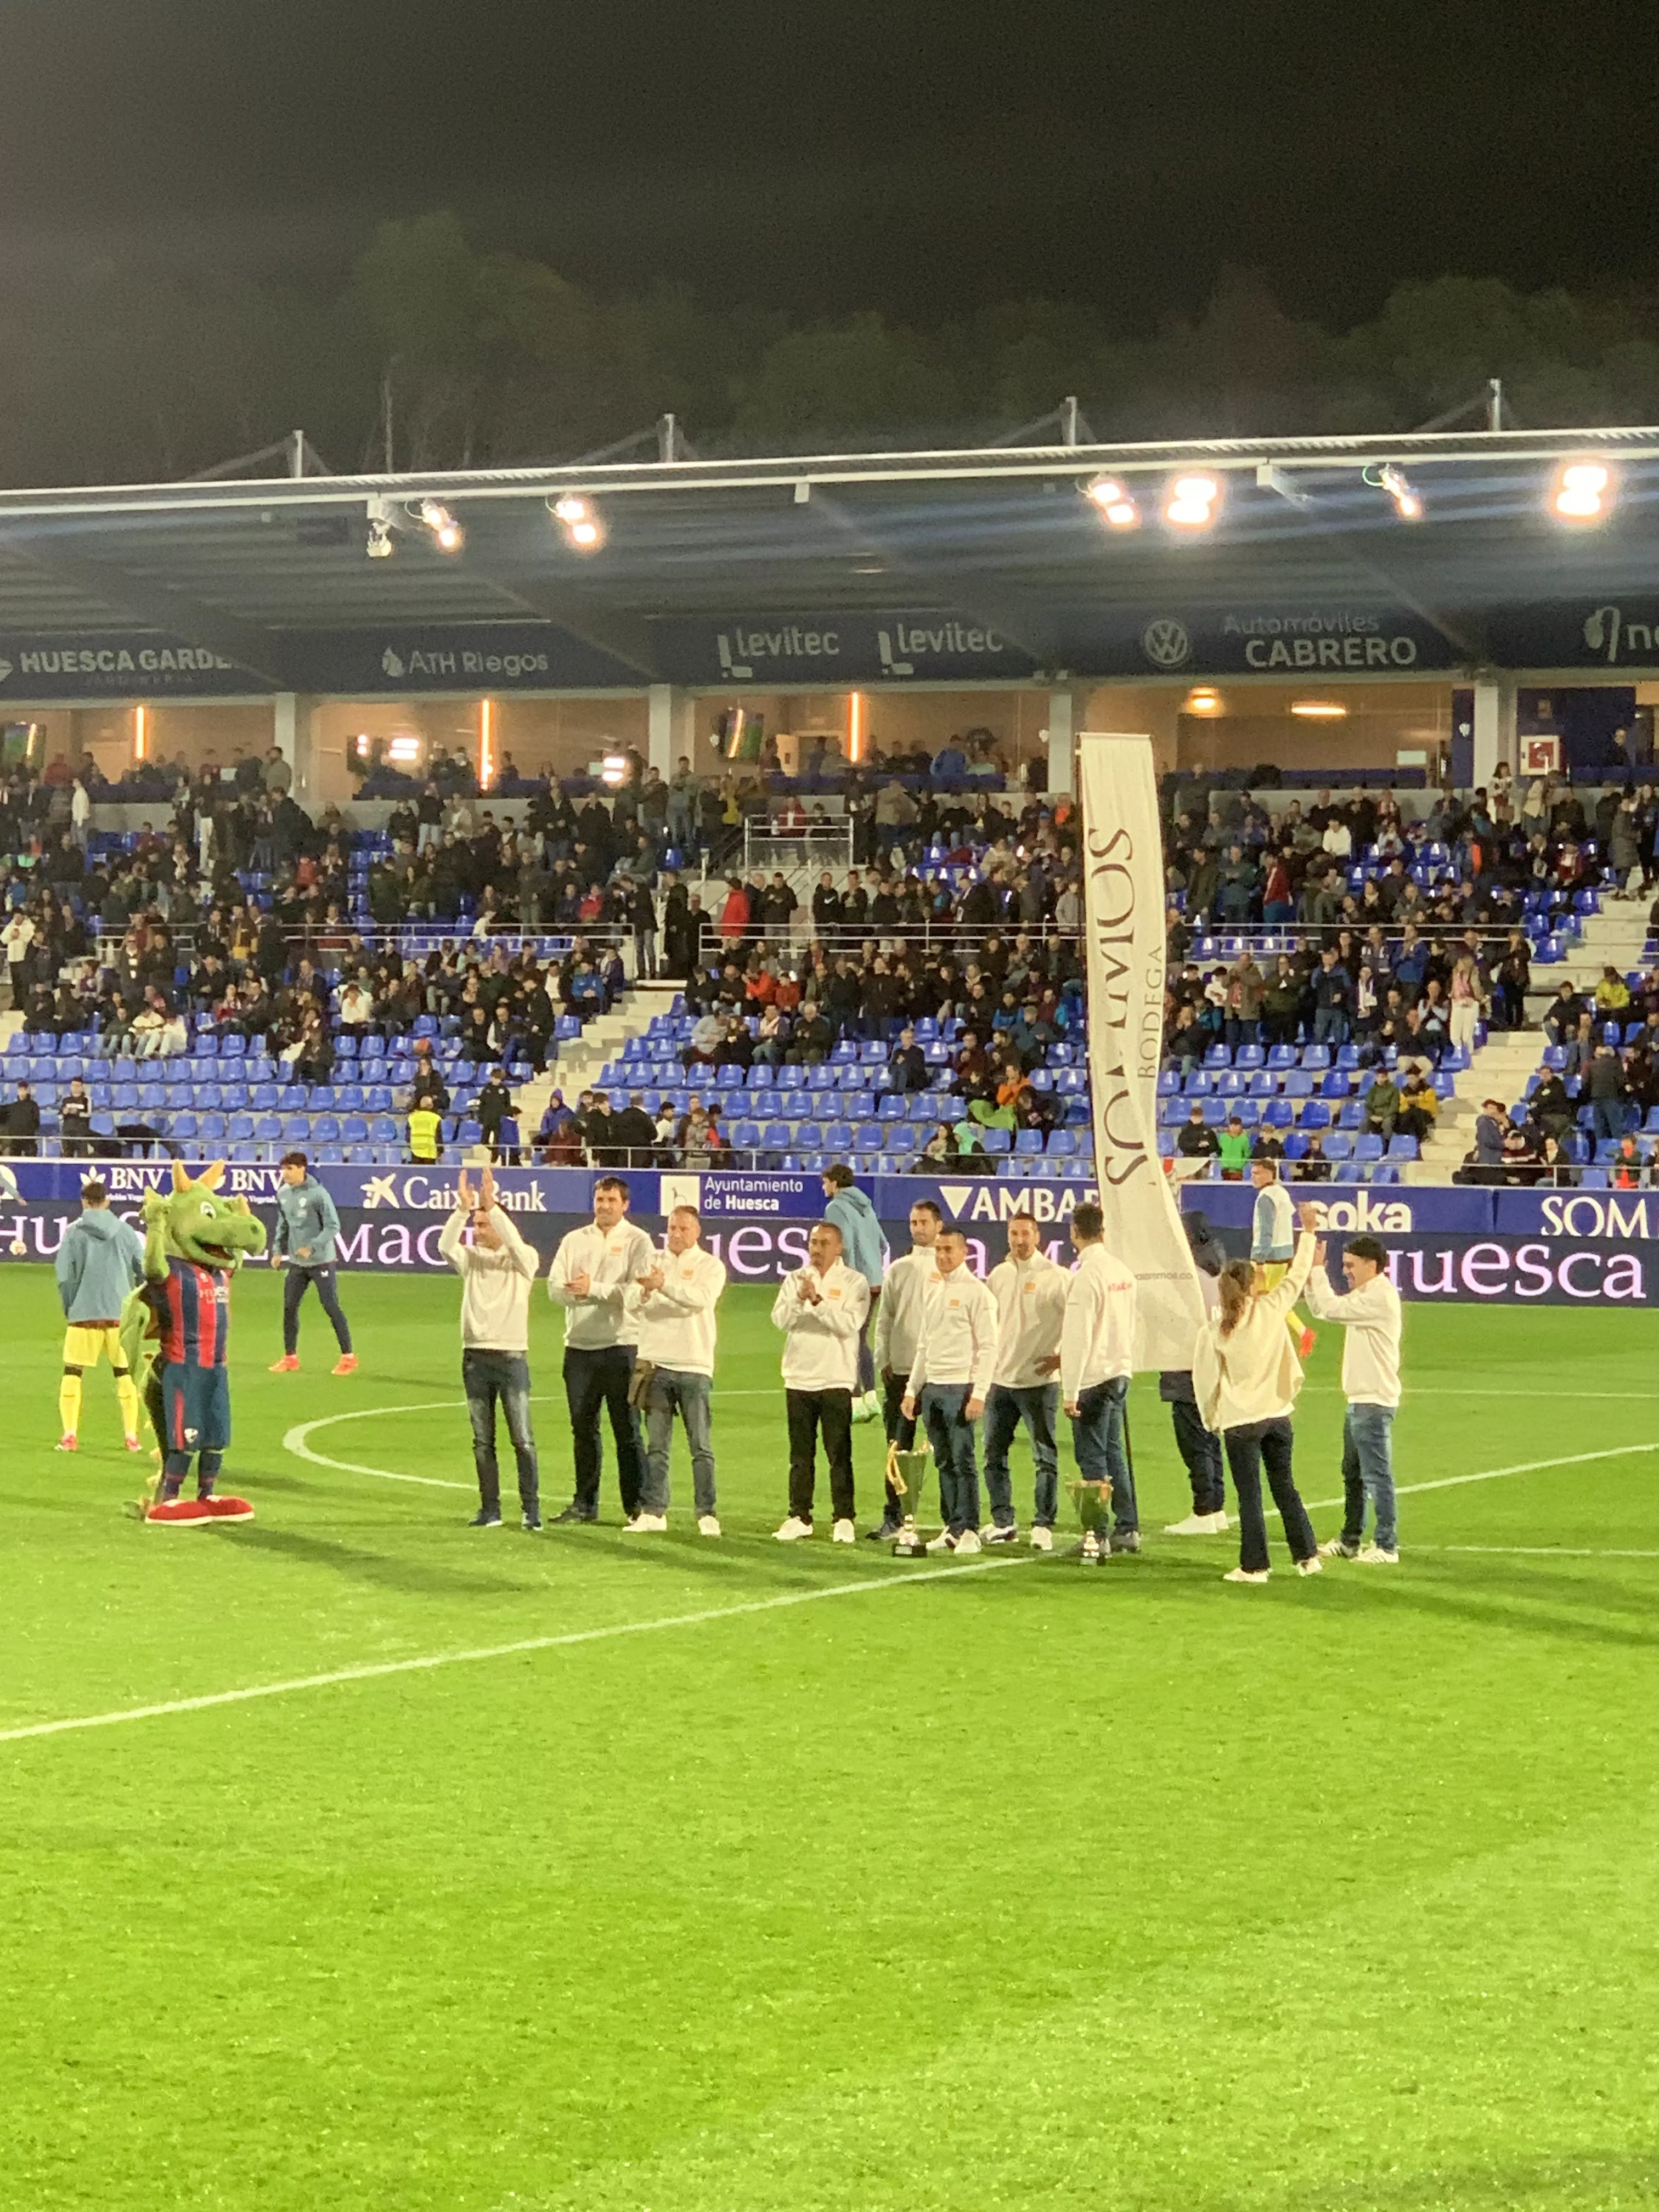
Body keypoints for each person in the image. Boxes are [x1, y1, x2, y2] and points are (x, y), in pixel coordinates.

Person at [1190, 1228, 1323, 1584]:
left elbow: (1205, 1381)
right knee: (1286, 1487)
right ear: (1252, 1286)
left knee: (1250, 1497)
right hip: (1278, 1416)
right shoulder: (1271, 1309)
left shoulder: (1217, 1331)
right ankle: (1307, 1556)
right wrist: (1308, 1234)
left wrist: (1209, 1418)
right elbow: (1296, 1276)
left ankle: (1255, 1566)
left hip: (1241, 1421)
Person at [546, 1175, 655, 1523]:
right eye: (600, 1200)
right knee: (583, 1429)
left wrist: (593, 1289)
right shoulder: (574, 1239)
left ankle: (636, 1506)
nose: (604, 1206)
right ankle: (585, 1504)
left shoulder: (639, 1241)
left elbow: (637, 1294)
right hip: (578, 1346)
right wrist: (574, 1293)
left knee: (628, 1429)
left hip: (622, 1345)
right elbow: (553, 1288)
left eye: (611, 1200)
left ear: (625, 1205)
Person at [438, 1165, 541, 1530]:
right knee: (483, 1441)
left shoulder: (523, 1260)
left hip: (511, 1357)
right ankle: (491, 1510)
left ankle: (531, 1511)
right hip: (475, 1357)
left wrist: (492, 1206)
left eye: (484, 1226)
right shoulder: (471, 1260)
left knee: (523, 1440)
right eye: (476, 1226)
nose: (477, 1232)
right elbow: (444, 1246)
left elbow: (515, 1242)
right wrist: (462, 1210)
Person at [622, 1204, 727, 1536]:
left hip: (695, 1364)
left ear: (697, 1232)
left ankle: (706, 1512)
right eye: (672, 1228)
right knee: (657, 1446)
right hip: (656, 1363)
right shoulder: (653, 1262)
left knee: (701, 1446)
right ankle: (654, 1511)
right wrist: (647, 1291)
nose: (677, 1234)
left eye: (683, 1229)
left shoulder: (710, 1265)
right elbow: (631, 1301)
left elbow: (699, 1300)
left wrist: (662, 1288)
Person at [1304, 1216, 1403, 1565]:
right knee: (1353, 1475)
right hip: (1359, 1399)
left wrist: (1317, 1270)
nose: (1345, 1271)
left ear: (1371, 1265)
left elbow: (1330, 1308)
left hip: (1374, 1400)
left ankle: (1387, 1545)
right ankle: (1350, 1541)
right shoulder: (1366, 1295)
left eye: (1350, 1265)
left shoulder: (1379, 1297)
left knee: (1377, 1476)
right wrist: (1309, 1274)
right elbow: (1320, 1308)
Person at [771, 1219, 870, 1542]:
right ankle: (799, 1515)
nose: (816, 1249)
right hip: (798, 1377)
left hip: (835, 1378)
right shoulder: (795, 1279)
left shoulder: (854, 1282)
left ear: (839, 1247)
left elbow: (849, 1324)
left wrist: (817, 1302)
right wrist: (800, 1300)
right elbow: (780, 1320)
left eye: (824, 1243)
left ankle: (844, 1517)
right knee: (800, 1454)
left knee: (839, 1453)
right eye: (813, 1242)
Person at [901, 1225, 997, 1554]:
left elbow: (988, 1347)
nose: (942, 1256)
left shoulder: (977, 1293)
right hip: (933, 1388)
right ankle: (953, 1526)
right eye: (939, 1251)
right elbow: (924, 1346)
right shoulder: (934, 1291)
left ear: (964, 1252)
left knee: (963, 1459)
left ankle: (970, 1527)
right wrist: (913, 1388)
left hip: (960, 1387)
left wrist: (979, 1393)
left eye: (949, 1251)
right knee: (943, 1461)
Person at [982, 1212, 1068, 1549]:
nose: (1019, 1240)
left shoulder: (1057, 1277)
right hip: (1000, 1380)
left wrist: (1063, 1358)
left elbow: (1079, 1322)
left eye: (1025, 1234)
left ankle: (1043, 1525)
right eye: (1013, 1234)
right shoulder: (999, 1275)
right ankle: (1003, 1521)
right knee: (993, 1455)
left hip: (1039, 1382)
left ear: (1038, 1236)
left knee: (1044, 1456)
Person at [1059, 1200, 1139, 1556]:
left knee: (1092, 1458)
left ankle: (1097, 1535)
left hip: (1093, 1377)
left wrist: (1070, 1390)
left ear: (1075, 1233)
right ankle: (1128, 1528)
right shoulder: (1123, 1271)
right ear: (1103, 1231)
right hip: (1120, 1372)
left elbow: (1078, 1338)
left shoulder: (1086, 1278)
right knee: (1114, 1454)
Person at [53, 1176, 145, 1452]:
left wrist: (72, 1307)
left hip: (84, 1313)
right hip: (121, 1314)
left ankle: (70, 1434)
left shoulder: (74, 1233)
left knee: (73, 1372)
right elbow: (142, 1269)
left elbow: (65, 1277)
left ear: (84, 1202)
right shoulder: (125, 1232)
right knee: (124, 1373)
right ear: (107, 1201)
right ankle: (131, 1436)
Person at [869, 1198, 943, 1540]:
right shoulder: (898, 1269)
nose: (918, 1228)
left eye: (924, 1222)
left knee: (946, 1448)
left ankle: (953, 1520)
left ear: (938, 1226)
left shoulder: (947, 1269)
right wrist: (882, 1359)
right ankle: (894, 1517)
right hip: (900, 1370)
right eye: (914, 1223)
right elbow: (884, 1320)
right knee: (897, 1446)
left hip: (939, 1372)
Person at [1160, 1210, 1229, 1536]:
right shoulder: (1217, 1270)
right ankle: (1216, 1508)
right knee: (1210, 1439)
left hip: (1186, 1365)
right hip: (1211, 1365)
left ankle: (1204, 1509)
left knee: (1194, 1443)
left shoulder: (1189, 1276)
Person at [267, 1151, 356, 1375]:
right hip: (298, 1264)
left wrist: (312, 1247)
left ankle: (348, 1357)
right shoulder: (284, 1194)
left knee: (331, 1306)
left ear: (302, 1169)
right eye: (283, 1169)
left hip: (321, 1262)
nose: (285, 1173)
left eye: (290, 1169)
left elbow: (333, 1226)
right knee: (289, 1308)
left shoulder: (318, 1194)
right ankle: (290, 1357)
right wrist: (278, 1250)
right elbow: (283, 1225)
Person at [822, 1162, 885, 1419]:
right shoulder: (866, 1207)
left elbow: (842, 1244)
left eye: (826, 1182)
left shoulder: (835, 1207)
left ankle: (855, 1401)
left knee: (849, 1339)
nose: (824, 1187)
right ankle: (871, 1398)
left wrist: (844, 1278)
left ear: (835, 1183)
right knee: (860, 1338)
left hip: (855, 1281)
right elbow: (883, 1243)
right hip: (875, 1280)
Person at [1252, 1155, 1316, 1360]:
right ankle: (1302, 1332)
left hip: (1268, 1258)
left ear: (1270, 1174)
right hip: (1283, 1255)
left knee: (1264, 1302)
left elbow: (1266, 1231)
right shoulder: (1282, 1193)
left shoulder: (1265, 1198)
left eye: (1257, 1173)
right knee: (1276, 1300)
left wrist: (1260, 1261)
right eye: (1252, 1173)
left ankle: (1270, 1343)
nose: (1253, 1177)